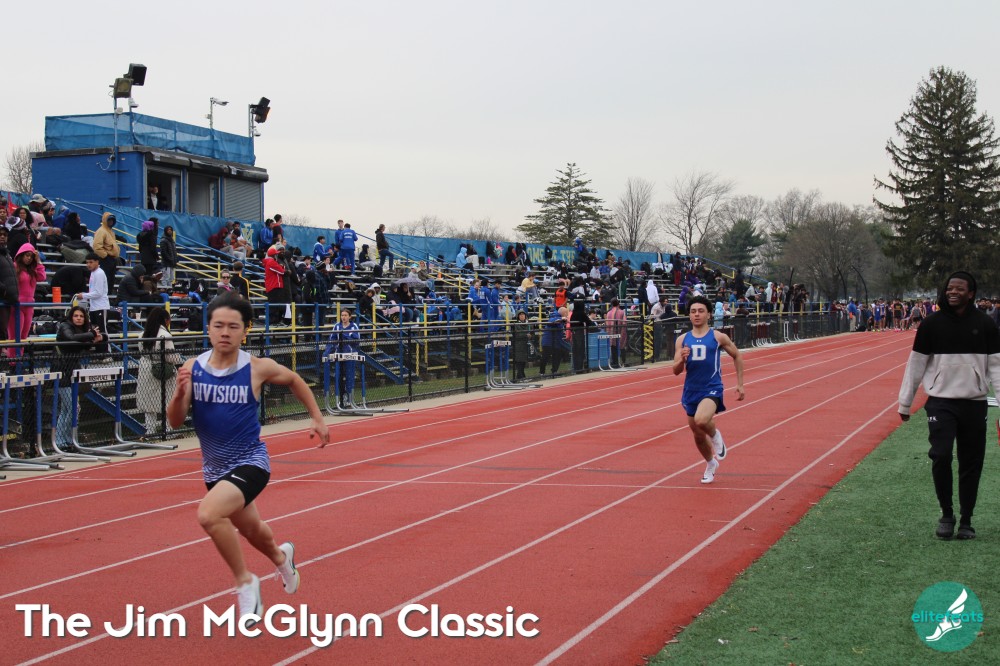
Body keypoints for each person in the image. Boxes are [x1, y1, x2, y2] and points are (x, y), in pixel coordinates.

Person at [166, 292, 330, 621]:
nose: (225, 332)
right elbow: (174, 421)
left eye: (233, 326)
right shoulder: (192, 368)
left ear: (245, 330)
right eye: (218, 325)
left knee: (209, 515)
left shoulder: (256, 368)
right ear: (208, 329)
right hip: (215, 470)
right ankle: (282, 559)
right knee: (254, 532)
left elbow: (294, 379)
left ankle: (245, 582)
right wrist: (180, 393)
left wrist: (317, 417)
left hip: (251, 463)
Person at [898, 271, 1000, 540]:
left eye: (959, 289)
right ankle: (946, 514)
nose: (953, 292)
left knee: (971, 462)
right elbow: (916, 364)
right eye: (949, 288)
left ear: (971, 293)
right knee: (941, 455)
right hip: (941, 402)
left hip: (974, 403)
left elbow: (997, 367)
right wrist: (905, 403)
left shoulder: (986, 324)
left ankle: (966, 520)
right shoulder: (931, 324)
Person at [673, 295, 745, 484]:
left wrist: (740, 384)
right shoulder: (682, 339)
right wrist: (681, 359)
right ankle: (711, 463)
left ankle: (715, 435)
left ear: (709, 314)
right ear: (689, 315)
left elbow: (737, 356)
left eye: (701, 311)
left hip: (712, 387)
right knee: (697, 434)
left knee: (701, 420)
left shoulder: (718, 337)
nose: (696, 314)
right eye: (693, 311)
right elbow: (675, 371)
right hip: (691, 390)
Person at [53, 306, 103, 449]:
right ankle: (62, 440)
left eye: (81, 316)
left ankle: (65, 440)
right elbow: (71, 339)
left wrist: (96, 338)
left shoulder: (83, 330)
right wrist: (91, 334)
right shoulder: (65, 326)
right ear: (71, 317)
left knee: (67, 409)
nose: (79, 318)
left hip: (73, 371)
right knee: (73, 407)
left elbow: (86, 344)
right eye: (76, 316)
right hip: (62, 371)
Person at [137, 307, 182, 438]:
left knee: (148, 402)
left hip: (146, 368)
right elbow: (171, 357)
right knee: (168, 400)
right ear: (165, 320)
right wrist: (179, 359)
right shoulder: (165, 336)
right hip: (164, 370)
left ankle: (150, 431)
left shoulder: (142, 335)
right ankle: (169, 430)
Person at [7, 243, 46, 356]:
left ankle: (18, 360)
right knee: (15, 337)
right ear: (21, 255)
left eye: (31, 256)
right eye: (27, 255)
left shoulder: (32, 269)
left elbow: (42, 277)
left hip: (29, 306)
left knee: (24, 337)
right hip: (17, 306)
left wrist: (38, 261)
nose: (29, 258)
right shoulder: (14, 266)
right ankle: (13, 362)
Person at [75, 253, 112, 353]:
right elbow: (94, 292)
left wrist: (84, 296)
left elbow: (98, 293)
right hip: (94, 307)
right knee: (96, 331)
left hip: (101, 306)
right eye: (87, 262)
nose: (88, 265)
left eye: (91, 262)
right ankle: (100, 353)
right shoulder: (93, 273)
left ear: (97, 262)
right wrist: (86, 295)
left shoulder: (99, 273)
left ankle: (106, 353)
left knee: (102, 330)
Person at [324, 308, 361, 406]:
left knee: (349, 376)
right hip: (338, 355)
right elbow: (332, 339)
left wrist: (344, 336)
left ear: (349, 317)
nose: (343, 317)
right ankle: (341, 397)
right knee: (339, 376)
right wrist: (328, 352)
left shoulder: (354, 326)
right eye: (342, 315)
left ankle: (350, 398)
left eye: (345, 315)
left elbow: (356, 341)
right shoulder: (337, 326)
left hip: (350, 355)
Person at [0, 227, 19, 353]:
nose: (2, 236)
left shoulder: (6, 254)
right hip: (2, 299)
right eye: (0, 234)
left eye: (5, 235)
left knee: (3, 334)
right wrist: (4, 290)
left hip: (7, 300)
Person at [93, 213, 121, 292]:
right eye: (109, 220)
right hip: (105, 260)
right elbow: (97, 247)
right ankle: (105, 295)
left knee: (111, 280)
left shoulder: (111, 232)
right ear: (105, 220)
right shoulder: (101, 231)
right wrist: (105, 256)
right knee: (105, 280)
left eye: (112, 220)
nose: (111, 221)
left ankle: (109, 295)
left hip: (112, 259)